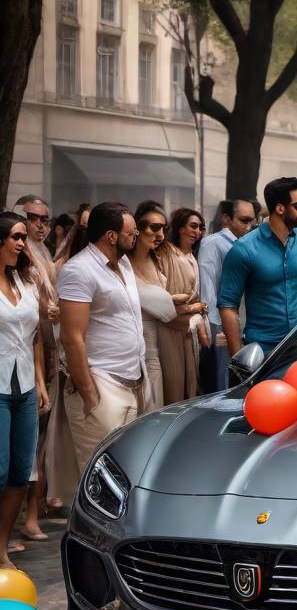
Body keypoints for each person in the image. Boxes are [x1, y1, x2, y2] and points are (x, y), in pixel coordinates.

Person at [56, 203, 146, 477]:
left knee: (126, 474)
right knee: (98, 477)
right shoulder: (78, 270)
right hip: (101, 383)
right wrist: (90, 396)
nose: (137, 235)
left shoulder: (125, 263)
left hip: (133, 381)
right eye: (131, 232)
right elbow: (71, 338)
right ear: (111, 236)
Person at [218, 177, 297, 358]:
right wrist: (237, 359)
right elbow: (228, 306)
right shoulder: (244, 249)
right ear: (280, 208)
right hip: (262, 354)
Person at [0, 214, 49, 569]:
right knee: (0, 471)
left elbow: (34, 339)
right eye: (16, 236)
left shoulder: (26, 282)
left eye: (23, 238)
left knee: (20, 472)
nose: (22, 243)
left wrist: (42, 383)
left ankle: (1, 548)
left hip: (26, 388)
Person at [13, 195, 61, 537]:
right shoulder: (17, 256)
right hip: (20, 354)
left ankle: (32, 514)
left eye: (45, 218)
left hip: (45, 350)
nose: (40, 224)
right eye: (32, 218)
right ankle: (20, 521)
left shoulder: (44, 253)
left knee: (37, 441)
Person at [198, 200, 256, 391]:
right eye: (243, 221)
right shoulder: (212, 244)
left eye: (252, 222)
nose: (248, 227)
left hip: (246, 322)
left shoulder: (249, 244)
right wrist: (218, 328)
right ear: (226, 219)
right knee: (223, 376)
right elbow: (208, 289)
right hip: (222, 324)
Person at [129, 203, 179, 413]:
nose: (159, 234)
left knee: (155, 409)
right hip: (130, 349)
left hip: (159, 348)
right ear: (138, 229)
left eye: (163, 228)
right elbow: (167, 307)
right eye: (154, 227)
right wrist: (182, 302)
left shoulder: (161, 260)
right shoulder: (122, 263)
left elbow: (168, 309)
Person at [157, 208, 209, 403]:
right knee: (173, 383)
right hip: (170, 325)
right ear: (180, 228)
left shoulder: (193, 256)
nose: (197, 232)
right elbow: (164, 296)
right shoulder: (167, 253)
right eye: (193, 226)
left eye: (201, 228)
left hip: (188, 330)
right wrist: (193, 307)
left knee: (190, 382)